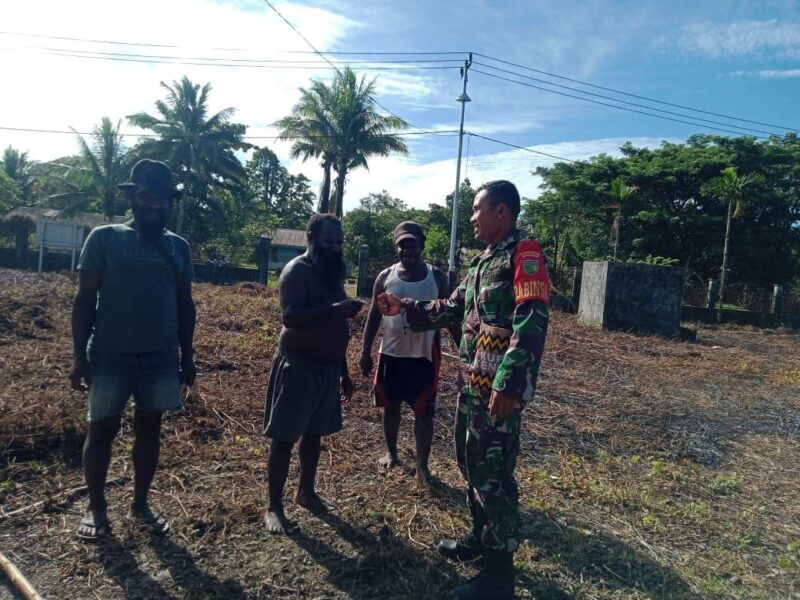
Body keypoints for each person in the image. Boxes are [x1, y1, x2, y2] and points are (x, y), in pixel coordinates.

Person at [377, 181, 550, 599]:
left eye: (477, 208)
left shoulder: (523, 255)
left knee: (492, 474)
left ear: (502, 212)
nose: (471, 216)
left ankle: (498, 579)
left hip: (498, 387)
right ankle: (480, 537)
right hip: (472, 382)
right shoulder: (482, 262)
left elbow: (531, 319)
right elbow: (451, 308)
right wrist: (406, 309)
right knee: (470, 462)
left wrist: (510, 381)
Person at [69, 159, 196, 540]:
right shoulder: (105, 238)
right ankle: (96, 507)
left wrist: (187, 355)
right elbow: (84, 299)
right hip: (109, 354)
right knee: (101, 430)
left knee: (149, 432)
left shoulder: (178, 247)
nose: (154, 204)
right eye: (146, 196)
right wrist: (78, 355)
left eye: (162, 198)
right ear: (133, 197)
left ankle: (140, 504)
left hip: (159, 356)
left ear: (169, 202)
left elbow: (185, 304)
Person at [263, 213, 363, 534]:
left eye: (338, 242)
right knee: (284, 437)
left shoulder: (331, 274)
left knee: (314, 434)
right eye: (328, 240)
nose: (334, 247)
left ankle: (306, 491)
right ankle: (274, 507)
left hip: (327, 369)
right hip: (299, 365)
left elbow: (338, 328)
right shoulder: (297, 271)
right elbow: (291, 317)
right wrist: (336, 309)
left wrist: (343, 371)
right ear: (311, 237)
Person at [359, 221, 459, 487]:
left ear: (421, 246)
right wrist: (365, 351)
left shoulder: (436, 277)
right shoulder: (385, 277)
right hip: (391, 354)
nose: (407, 251)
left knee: (424, 412)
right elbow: (373, 316)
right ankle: (391, 452)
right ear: (397, 249)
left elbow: (451, 315)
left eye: (412, 244)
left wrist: (464, 351)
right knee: (390, 406)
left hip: (424, 357)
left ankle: (422, 467)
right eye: (402, 245)